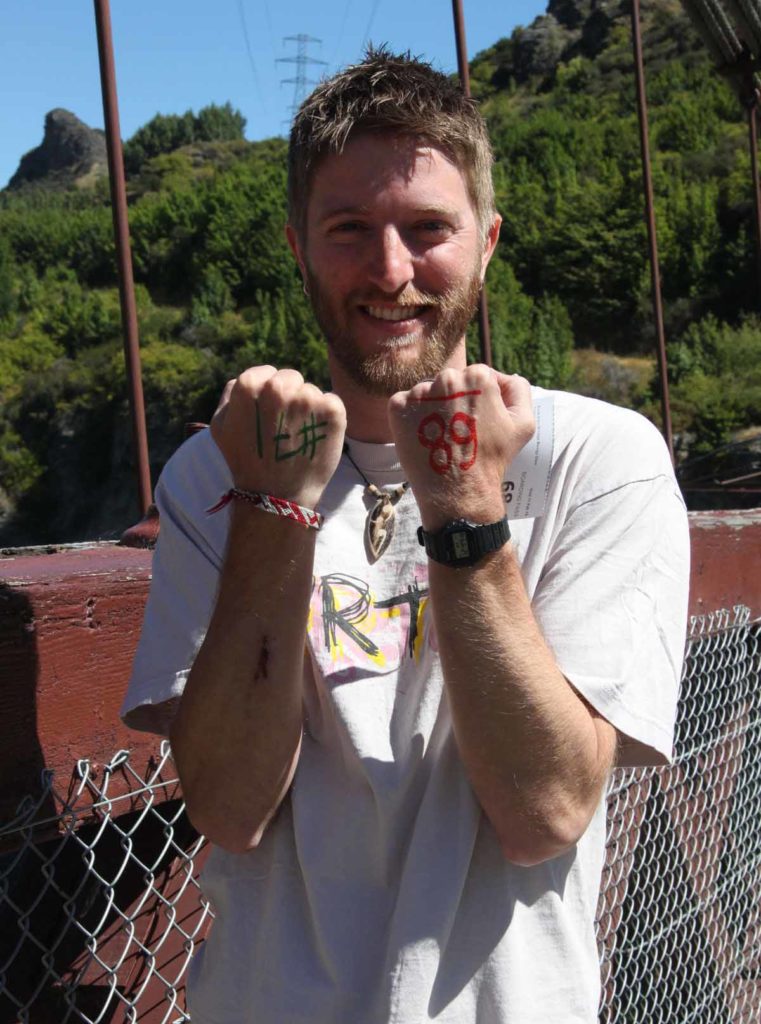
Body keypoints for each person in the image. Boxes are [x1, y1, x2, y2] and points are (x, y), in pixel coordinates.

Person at [121, 47, 690, 1024]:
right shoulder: (219, 474)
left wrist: (464, 503)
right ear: (297, 245)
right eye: (349, 230)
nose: (389, 271)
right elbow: (227, 805)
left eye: (427, 229)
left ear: (486, 242)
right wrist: (275, 508)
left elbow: (543, 810)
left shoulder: (601, 459)